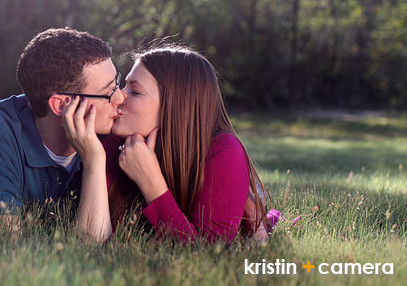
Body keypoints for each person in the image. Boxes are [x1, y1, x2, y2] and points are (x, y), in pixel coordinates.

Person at [64, 42, 270, 243]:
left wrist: (150, 182)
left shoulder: (223, 150)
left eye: (134, 91)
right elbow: (89, 243)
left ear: (175, 107)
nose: (119, 97)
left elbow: (206, 255)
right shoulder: (114, 144)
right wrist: (94, 160)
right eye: (124, 85)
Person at [0, 27, 125, 232]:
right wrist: (94, 160)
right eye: (108, 93)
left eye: (117, 84)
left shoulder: (115, 130)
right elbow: (4, 243)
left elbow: (94, 246)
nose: (120, 98)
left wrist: (94, 160)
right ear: (61, 105)